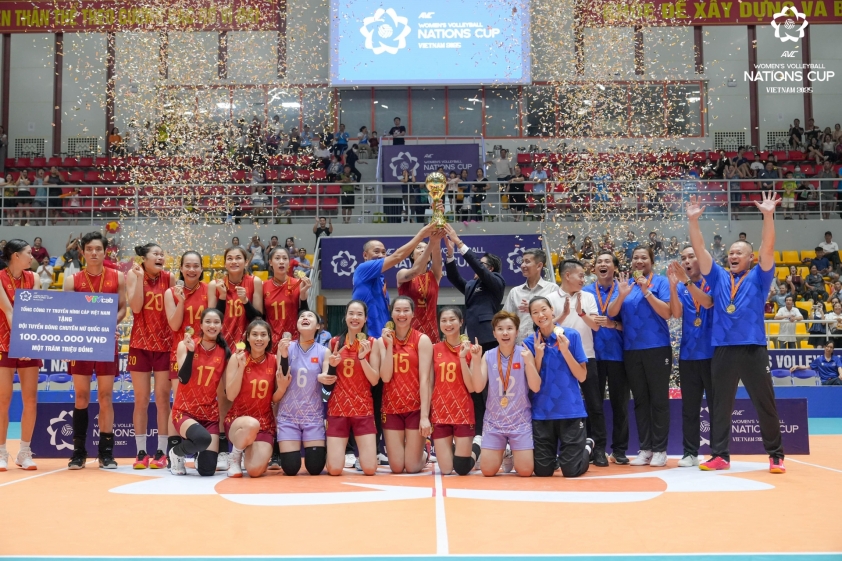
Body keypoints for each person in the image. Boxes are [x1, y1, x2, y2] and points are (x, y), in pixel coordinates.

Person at [686, 192, 785, 473]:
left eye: (738, 252)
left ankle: (776, 455)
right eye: (730, 252)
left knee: (764, 403)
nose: (732, 256)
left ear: (750, 258)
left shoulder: (760, 276)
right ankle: (720, 456)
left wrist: (768, 216)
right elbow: (700, 250)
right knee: (720, 405)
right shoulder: (718, 276)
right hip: (723, 349)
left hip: (753, 347)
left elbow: (768, 247)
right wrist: (693, 221)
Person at [65, 232, 127, 469]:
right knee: (81, 397)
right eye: (89, 249)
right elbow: (67, 313)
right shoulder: (72, 280)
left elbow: (122, 309)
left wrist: (112, 324)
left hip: (105, 343)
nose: (94, 253)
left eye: (98, 249)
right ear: (82, 252)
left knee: (105, 397)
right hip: (80, 344)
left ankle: (106, 452)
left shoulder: (117, 277)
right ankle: (78, 452)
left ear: (105, 251)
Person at [607, 246, 672, 467]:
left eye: (644, 257)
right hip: (631, 349)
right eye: (636, 258)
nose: (639, 261)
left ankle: (660, 450)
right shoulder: (625, 284)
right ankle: (646, 449)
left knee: (659, 400)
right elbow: (612, 313)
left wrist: (647, 291)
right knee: (640, 401)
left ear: (651, 261)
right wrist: (622, 294)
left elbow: (667, 312)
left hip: (657, 347)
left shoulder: (660, 282)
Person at [444, 224, 505, 450]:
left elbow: (478, 266)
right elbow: (455, 278)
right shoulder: (472, 285)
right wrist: (451, 254)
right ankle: (480, 432)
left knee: (493, 389)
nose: (477, 267)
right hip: (473, 343)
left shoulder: (495, 282)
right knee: (476, 390)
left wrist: (459, 242)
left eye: (482, 264)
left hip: (490, 341)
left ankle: (499, 431)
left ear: (490, 268)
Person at [523, 297, 591, 478]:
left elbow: (582, 376)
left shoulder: (571, 335)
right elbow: (533, 383)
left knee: (571, 471)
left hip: (570, 411)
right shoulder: (529, 343)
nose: (540, 315)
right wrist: (538, 356)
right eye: (535, 312)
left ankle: (587, 446)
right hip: (542, 413)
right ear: (531, 317)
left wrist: (565, 351)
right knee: (542, 471)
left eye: (543, 309)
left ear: (552, 310)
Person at [471, 311, 541, 477]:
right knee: (488, 471)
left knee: (525, 471)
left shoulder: (525, 353)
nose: (505, 333)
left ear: (517, 332)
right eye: (500, 329)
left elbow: (535, 387)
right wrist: (475, 360)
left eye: (509, 328)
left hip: (520, 420)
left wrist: (530, 363)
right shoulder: (487, 356)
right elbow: (478, 387)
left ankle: (509, 450)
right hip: (494, 421)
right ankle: (505, 450)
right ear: (494, 333)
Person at [126, 243, 176, 469]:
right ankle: (140, 453)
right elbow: (136, 308)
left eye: (161, 254)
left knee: (163, 399)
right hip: (140, 345)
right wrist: (138, 279)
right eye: (155, 254)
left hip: (165, 345)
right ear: (144, 259)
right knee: (142, 399)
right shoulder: (133, 274)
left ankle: (161, 452)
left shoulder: (169, 278)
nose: (160, 257)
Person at [555, 259, 606, 466]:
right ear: (567, 275)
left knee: (594, 404)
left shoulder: (588, 297)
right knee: (562, 404)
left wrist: (581, 313)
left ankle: (599, 449)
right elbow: (546, 327)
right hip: (560, 358)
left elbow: (596, 327)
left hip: (587, 355)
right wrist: (564, 314)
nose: (584, 279)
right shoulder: (550, 297)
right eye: (581, 275)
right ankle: (563, 451)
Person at [168, 308, 231, 476]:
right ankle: (176, 453)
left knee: (207, 470)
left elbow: (228, 389)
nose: (212, 325)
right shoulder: (185, 345)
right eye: (208, 322)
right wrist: (191, 353)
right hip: (185, 412)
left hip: (209, 415)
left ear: (221, 326)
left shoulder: (224, 352)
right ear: (201, 325)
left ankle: (199, 455)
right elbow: (183, 378)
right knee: (202, 439)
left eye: (216, 322)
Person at [667, 250, 714, 468]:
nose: (686, 261)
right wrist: (672, 286)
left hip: (712, 354)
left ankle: (718, 452)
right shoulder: (680, 287)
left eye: (691, 257)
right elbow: (676, 314)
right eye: (683, 258)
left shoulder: (713, 281)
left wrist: (685, 282)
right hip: (688, 354)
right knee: (690, 408)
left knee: (716, 406)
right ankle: (690, 452)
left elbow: (708, 303)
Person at [583, 251, 630, 465]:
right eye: (599, 262)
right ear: (594, 269)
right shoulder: (585, 292)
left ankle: (619, 450)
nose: (603, 264)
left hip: (619, 354)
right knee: (594, 405)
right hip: (592, 356)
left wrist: (614, 324)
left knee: (620, 404)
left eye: (607, 261)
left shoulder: (624, 290)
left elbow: (632, 323)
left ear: (615, 267)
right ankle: (595, 449)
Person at [325, 300, 381, 476]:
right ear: (345, 316)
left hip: (362, 408)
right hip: (338, 408)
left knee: (370, 469)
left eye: (359, 314)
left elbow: (374, 380)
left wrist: (363, 358)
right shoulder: (334, 342)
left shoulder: (372, 343)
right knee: (334, 470)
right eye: (351, 313)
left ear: (365, 319)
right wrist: (332, 365)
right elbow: (327, 379)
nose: (355, 318)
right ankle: (335, 455)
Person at [0, 240, 41, 471]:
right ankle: (1, 452)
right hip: (4, 344)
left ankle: (24, 452)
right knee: (3, 400)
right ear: (16, 255)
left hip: (29, 345)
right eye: (28, 253)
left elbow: (35, 312)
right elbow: (9, 312)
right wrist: (21, 343)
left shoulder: (34, 278)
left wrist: (28, 344)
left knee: (30, 400)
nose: (31, 256)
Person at [379, 297, 433, 474]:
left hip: (415, 408)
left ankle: (425, 453)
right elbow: (385, 377)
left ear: (412, 314)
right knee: (396, 467)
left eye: (406, 310)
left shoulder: (422, 340)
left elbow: (425, 379)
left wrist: (424, 416)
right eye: (397, 310)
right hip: (391, 407)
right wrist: (388, 346)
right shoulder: (382, 341)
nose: (401, 314)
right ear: (392, 313)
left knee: (412, 467)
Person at [163, 251, 209, 456]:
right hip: (180, 354)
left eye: (196, 265)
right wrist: (181, 301)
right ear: (181, 268)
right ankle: (174, 453)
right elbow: (174, 325)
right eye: (187, 266)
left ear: (201, 268)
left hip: (205, 354)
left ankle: (200, 449)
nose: (192, 269)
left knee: (203, 401)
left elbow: (214, 322)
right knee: (179, 403)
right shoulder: (171, 292)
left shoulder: (209, 290)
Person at [274, 310, 331, 476]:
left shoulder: (323, 351)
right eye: (301, 316)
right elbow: (282, 377)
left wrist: (324, 377)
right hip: (288, 415)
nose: (305, 318)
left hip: (313, 415)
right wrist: (284, 355)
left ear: (318, 326)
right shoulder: (286, 347)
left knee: (315, 467)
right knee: (291, 468)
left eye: (310, 316)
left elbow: (327, 380)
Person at [224, 319, 282, 478]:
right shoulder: (237, 358)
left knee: (255, 471)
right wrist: (241, 368)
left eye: (263, 335)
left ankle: (248, 452)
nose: (259, 339)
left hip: (265, 423)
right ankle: (235, 457)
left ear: (269, 338)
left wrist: (283, 387)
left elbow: (275, 398)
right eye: (255, 334)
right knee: (251, 424)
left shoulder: (274, 360)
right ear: (247, 337)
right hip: (239, 421)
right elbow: (230, 395)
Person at [430, 307, 481, 475]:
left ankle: (477, 446)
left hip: (463, 412)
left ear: (461, 322)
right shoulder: (434, 349)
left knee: (461, 468)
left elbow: (472, 387)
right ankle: (454, 448)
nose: (448, 324)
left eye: (452, 319)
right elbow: (429, 382)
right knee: (445, 470)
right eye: (443, 320)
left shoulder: (472, 349)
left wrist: (463, 357)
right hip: (440, 412)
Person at [503, 248, 559, 344]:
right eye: (522, 261)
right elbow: (505, 318)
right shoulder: (515, 292)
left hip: (545, 344)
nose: (522, 265)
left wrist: (534, 309)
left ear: (539, 266)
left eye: (527, 262)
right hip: (520, 344)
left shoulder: (552, 289)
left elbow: (557, 317)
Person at [397, 233, 443, 343]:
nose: (423, 249)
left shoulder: (434, 275)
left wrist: (436, 239)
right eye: (419, 247)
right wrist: (430, 244)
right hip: (408, 333)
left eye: (426, 248)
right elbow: (415, 271)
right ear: (412, 255)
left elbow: (437, 255)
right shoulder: (402, 273)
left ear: (430, 257)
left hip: (431, 334)